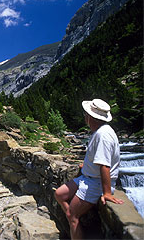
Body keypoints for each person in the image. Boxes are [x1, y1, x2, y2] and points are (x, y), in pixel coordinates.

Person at [54, 98, 124, 239]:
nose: (85, 117)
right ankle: (73, 219)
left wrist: (107, 193)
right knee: (59, 194)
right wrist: (86, 166)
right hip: (88, 177)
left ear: (91, 117)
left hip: (95, 183)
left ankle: (73, 220)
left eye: (86, 114)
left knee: (72, 215)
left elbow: (104, 165)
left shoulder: (103, 136)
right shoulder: (101, 131)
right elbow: (98, 159)